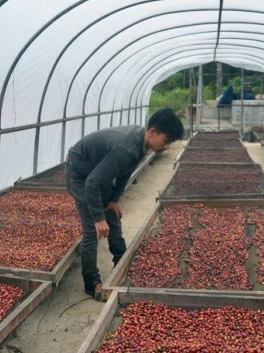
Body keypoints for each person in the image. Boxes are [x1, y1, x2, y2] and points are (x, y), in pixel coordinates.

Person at [65, 108, 184, 300]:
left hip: (95, 170)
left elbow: (125, 172)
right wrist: (98, 218)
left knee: (113, 215)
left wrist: (113, 200)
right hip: (79, 172)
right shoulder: (125, 148)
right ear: (152, 132)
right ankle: (91, 282)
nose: (167, 146)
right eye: (166, 140)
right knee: (91, 231)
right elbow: (92, 184)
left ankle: (121, 261)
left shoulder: (140, 143)